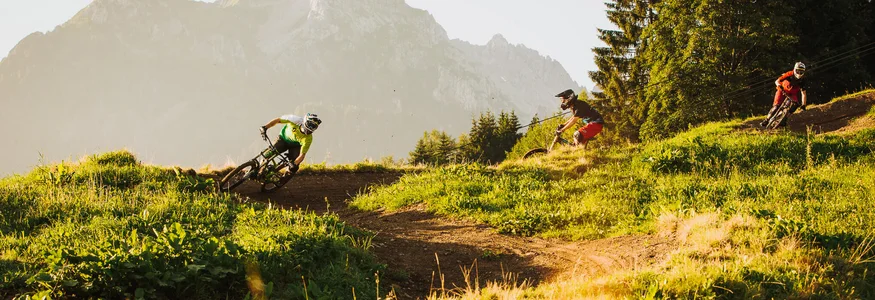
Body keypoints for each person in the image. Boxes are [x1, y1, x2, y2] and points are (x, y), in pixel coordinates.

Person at [761, 62, 808, 127]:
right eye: (798, 71)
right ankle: (767, 120)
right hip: (782, 90)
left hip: (792, 94)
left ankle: (785, 118)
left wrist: (803, 105)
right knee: (776, 107)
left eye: (801, 72)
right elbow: (777, 81)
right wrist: (779, 86)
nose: (799, 73)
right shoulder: (789, 74)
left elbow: (803, 93)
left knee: (795, 105)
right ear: (794, 69)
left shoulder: (803, 80)